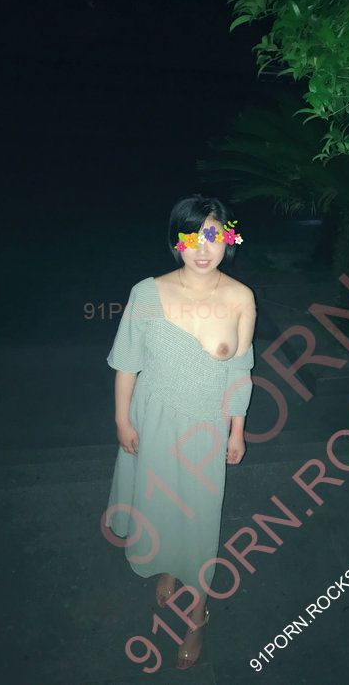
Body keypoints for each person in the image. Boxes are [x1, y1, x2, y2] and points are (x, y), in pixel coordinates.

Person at [103, 194, 256, 670]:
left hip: (205, 428)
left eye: (213, 236)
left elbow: (240, 372)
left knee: (200, 517)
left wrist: (237, 431)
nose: (202, 248)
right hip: (151, 419)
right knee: (158, 500)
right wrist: (122, 419)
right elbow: (127, 363)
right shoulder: (146, 293)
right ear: (176, 241)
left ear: (228, 240)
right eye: (191, 237)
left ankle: (197, 615)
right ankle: (167, 567)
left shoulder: (240, 298)